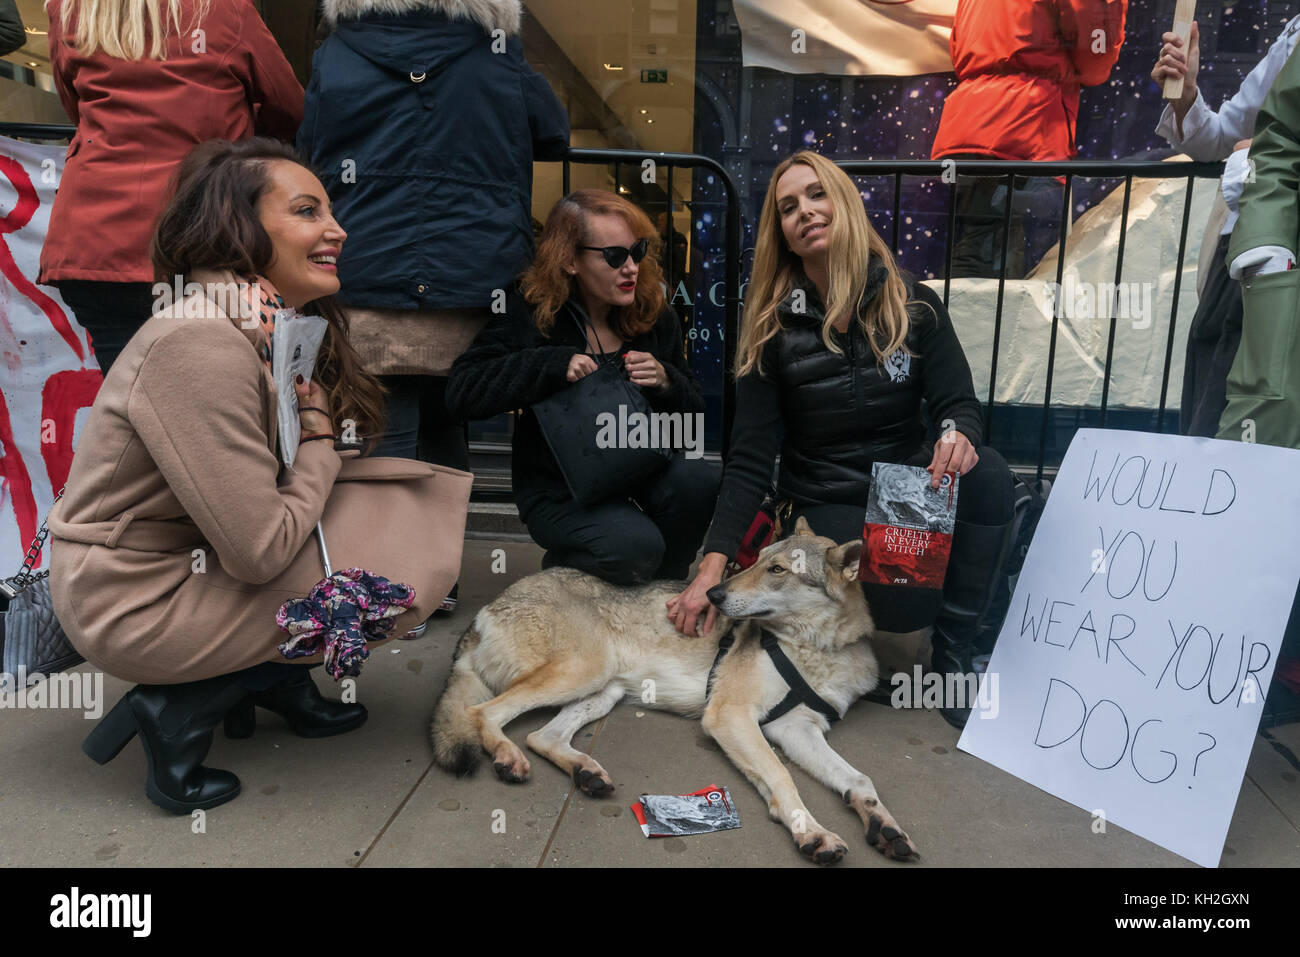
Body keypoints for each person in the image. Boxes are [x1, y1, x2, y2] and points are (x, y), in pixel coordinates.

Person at [49, 138, 462, 813]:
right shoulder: (201, 341)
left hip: (178, 564)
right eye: (307, 211)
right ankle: (178, 708)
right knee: (390, 566)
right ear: (238, 229)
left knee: (372, 516)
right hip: (131, 599)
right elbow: (259, 548)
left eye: (329, 210)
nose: (337, 229)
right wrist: (323, 443)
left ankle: (270, 679)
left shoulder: (257, 322)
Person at [668, 151, 1015, 729]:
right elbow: (750, 460)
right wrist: (712, 567)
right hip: (825, 501)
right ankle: (906, 613)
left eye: (816, 195)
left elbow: (958, 405)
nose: (804, 211)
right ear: (781, 233)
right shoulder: (771, 329)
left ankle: (953, 653)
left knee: (991, 474)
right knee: (899, 607)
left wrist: (957, 435)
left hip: (906, 489)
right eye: (787, 207)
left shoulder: (915, 303)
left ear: (844, 204)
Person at [300, 0, 568, 615]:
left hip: (364, 268)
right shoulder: (496, 50)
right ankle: (439, 585)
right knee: (451, 420)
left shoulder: (339, 50)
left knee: (381, 434)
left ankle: (388, 590)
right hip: (472, 274)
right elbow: (553, 132)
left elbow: (309, 145)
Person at [447, 189, 720, 586]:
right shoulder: (534, 311)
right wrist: (551, 364)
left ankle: (664, 588)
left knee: (699, 478)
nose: (631, 268)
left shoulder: (652, 314)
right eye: (613, 256)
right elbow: (463, 392)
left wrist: (665, 380)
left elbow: (693, 413)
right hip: (561, 490)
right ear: (571, 260)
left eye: (637, 252)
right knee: (635, 548)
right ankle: (567, 571)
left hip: (641, 468)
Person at [37, 0, 303, 375]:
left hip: (96, 248)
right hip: (199, 236)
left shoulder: (70, 10)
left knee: (128, 400)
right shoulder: (227, 11)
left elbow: (75, 108)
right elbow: (290, 110)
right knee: (207, 406)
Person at [1152, 15, 1300, 438]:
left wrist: (1265, 152)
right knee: (1209, 412)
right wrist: (1185, 95)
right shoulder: (1294, 31)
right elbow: (1217, 138)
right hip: (1242, 255)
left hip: (1282, 252)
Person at [931, 0, 1127, 278]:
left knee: (976, 246)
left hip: (968, 125)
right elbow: (1095, 58)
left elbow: (959, 44)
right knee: (1003, 265)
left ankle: (947, 317)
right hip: (1027, 124)